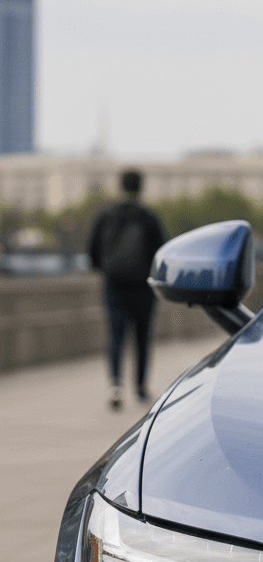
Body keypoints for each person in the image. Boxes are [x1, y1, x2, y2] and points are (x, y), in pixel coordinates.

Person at [88, 169, 166, 409]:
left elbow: (92, 254)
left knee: (115, 335)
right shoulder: (148, 218)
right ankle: (140, 389)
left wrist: (110, 271)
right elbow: (160, 254)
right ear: (141, 187)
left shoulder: (106, 216)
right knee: (142, 337)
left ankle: (115, 386)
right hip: (143, 288)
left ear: (120, 186)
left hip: (114, 287)